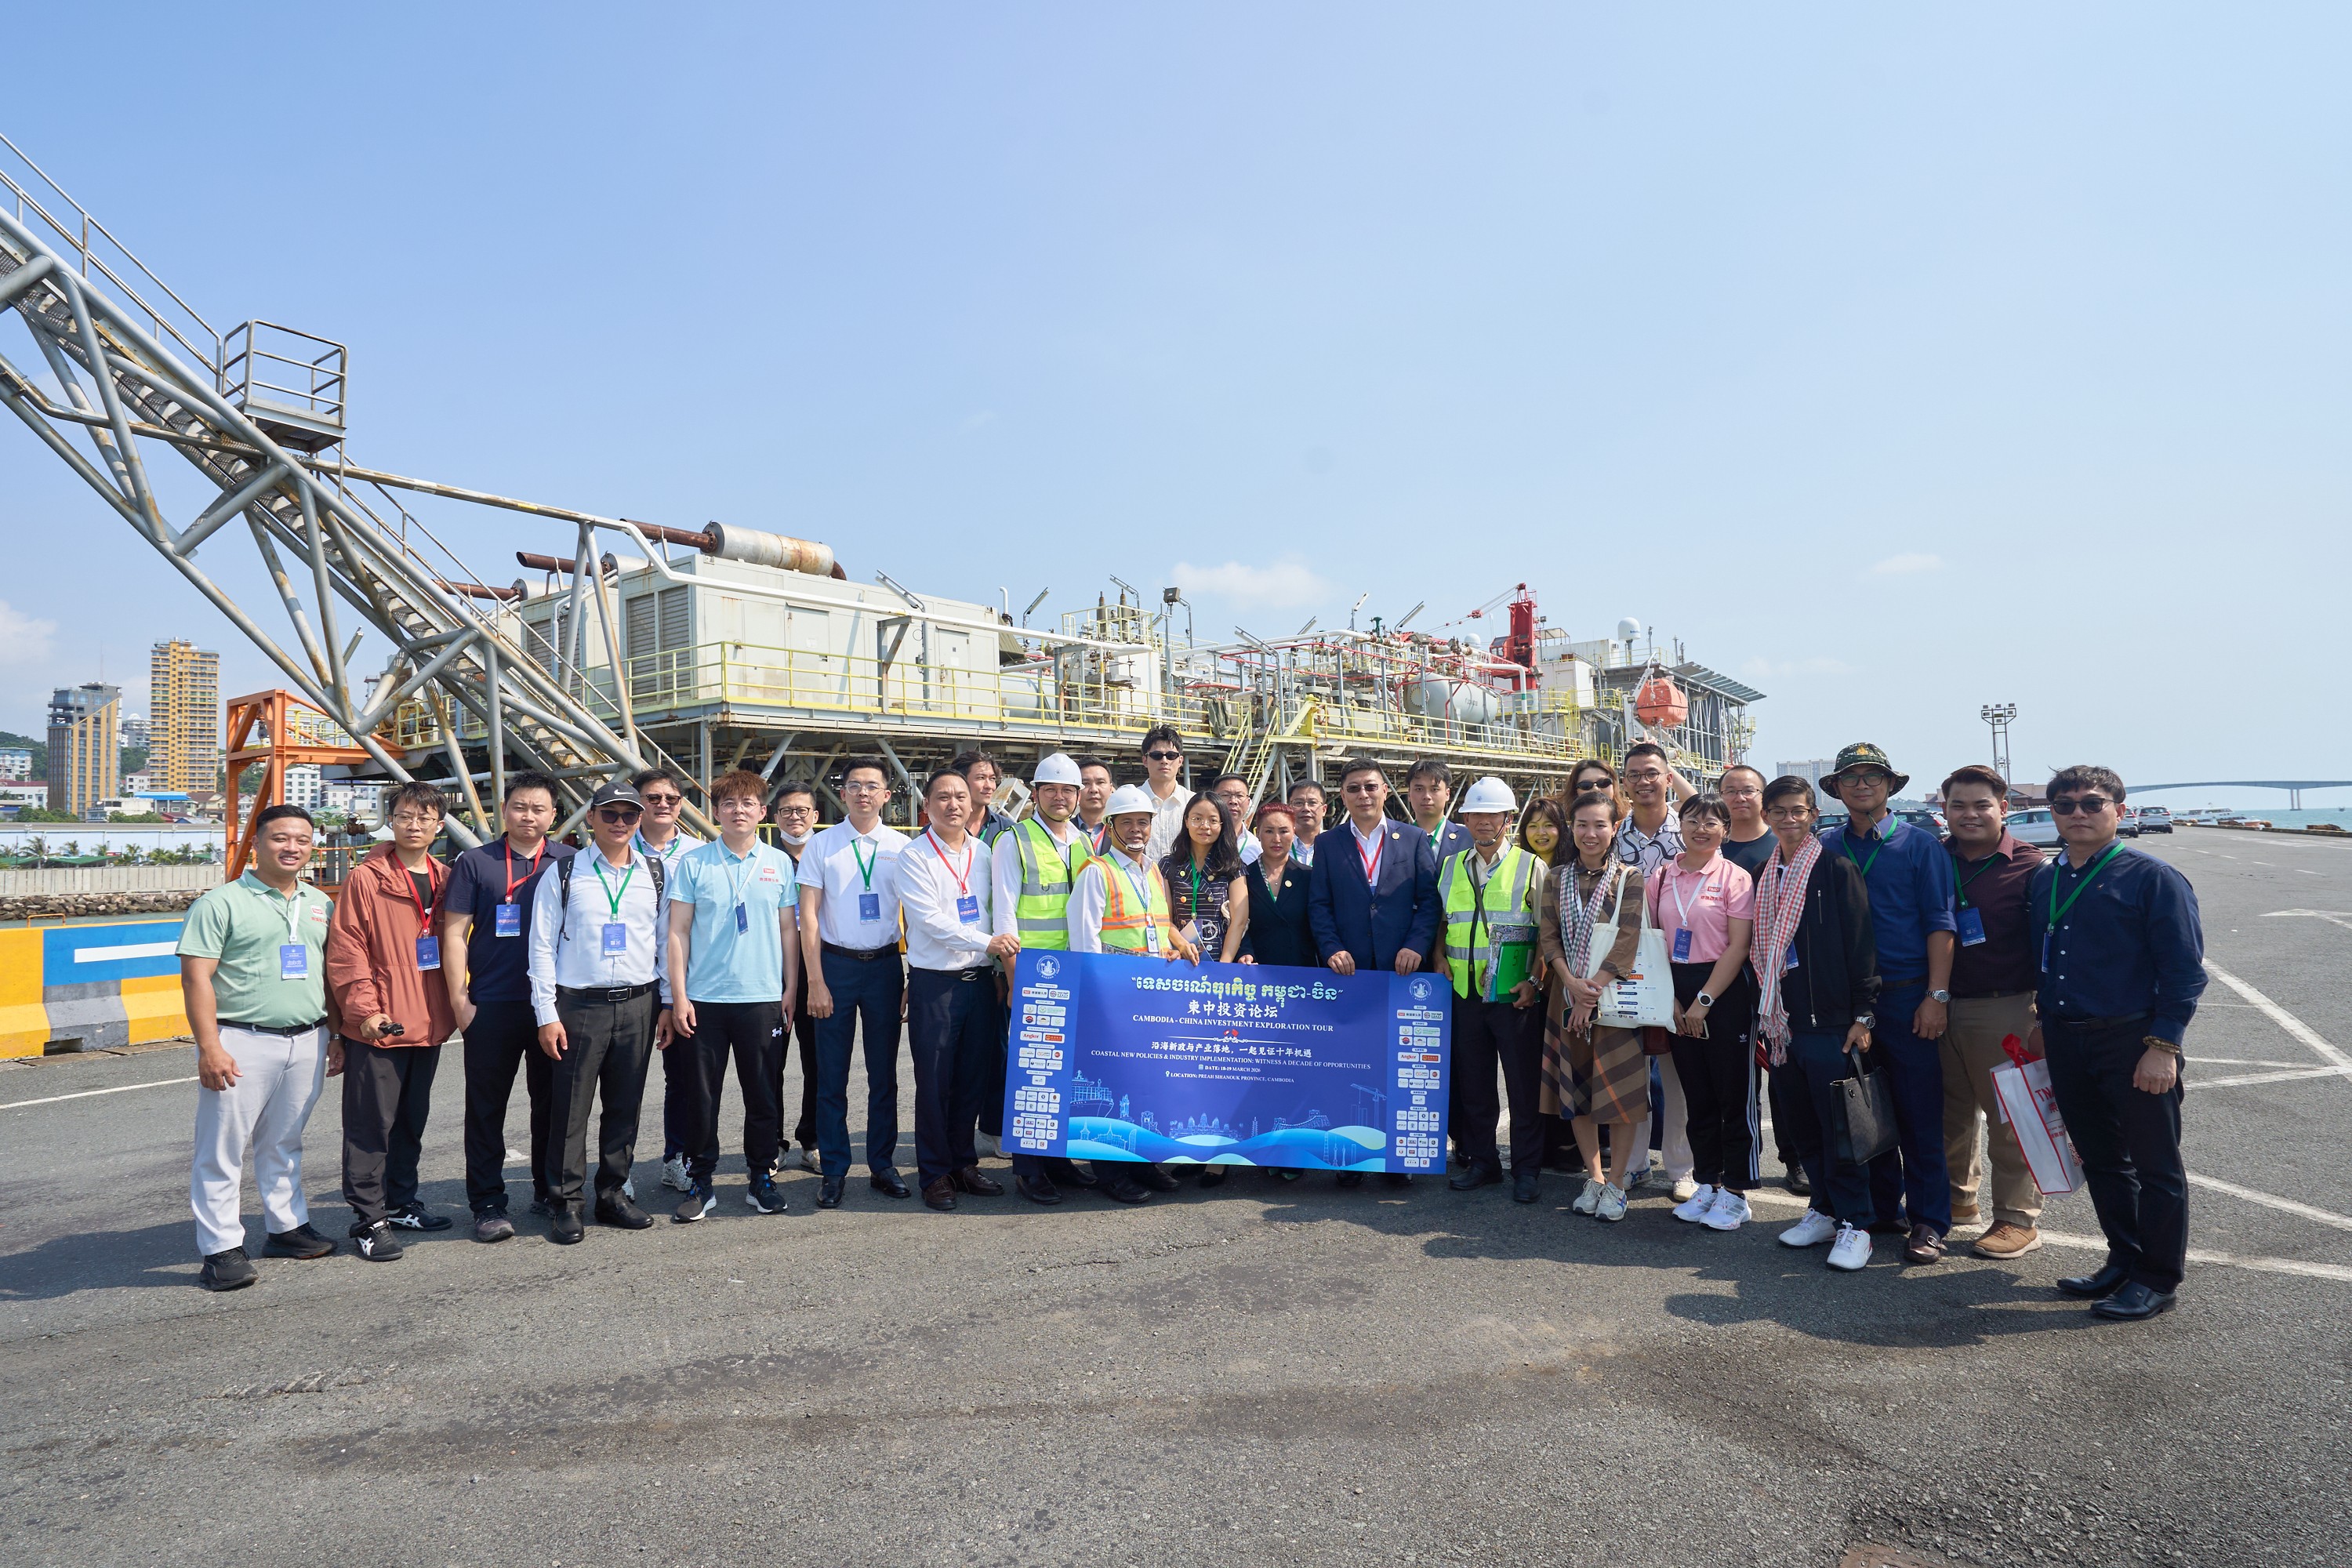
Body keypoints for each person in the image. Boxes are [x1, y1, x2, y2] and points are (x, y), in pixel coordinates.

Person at [2030, 765, 2205, 1322]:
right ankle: (2123, 1260)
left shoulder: (2152, 878)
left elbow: (2183, 973)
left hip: (2133, 1040)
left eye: (2091, 803)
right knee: (2103, 1160)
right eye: (2065, 805)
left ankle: (2156, 1279)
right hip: (2066, 1038)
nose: (2077, 813)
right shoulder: (2046, 878)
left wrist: (2164, 1046)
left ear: (2119, 812)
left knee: (2156, 1167)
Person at [180, 804, 339, 1290]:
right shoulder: (220, 903)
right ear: (257, 843)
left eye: (303, 840)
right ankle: (221, 1247)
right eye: (280, 839)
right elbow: (196, 978)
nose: (292, 848)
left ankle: (286, 1227)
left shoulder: (320, 903)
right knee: (222, 1147)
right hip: (242, 1039)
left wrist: (336, 1034)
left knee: (285, 1140)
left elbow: (328, 973)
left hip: (309, 1037)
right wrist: (210, 1047)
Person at [1820, 742, 1958, 1264]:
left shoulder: (1920, 846)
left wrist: (1936, 996)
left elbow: (1941, 924)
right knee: (1863, 1112)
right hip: (1847, 1005)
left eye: (1872, 776)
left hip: (1906, 999)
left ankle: (1929, 1221)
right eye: (1850, 778)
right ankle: (1881, 1208)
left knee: (1920, 1115)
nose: (1861, 785)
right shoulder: (1827, 847)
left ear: (1889, 786)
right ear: (1836, 789)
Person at [529, 779, 676, 1243]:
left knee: (624, 1107)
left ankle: (612, 1194)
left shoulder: (655, 873)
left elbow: (664, 944)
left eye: (629, 815)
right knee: (570, 1110)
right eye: (609, 814)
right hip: (580, 1006)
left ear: (640, 821)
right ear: (590, 818)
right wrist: (546, 1014)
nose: (620, 823)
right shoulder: (565, 873)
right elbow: (541, 947)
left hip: (638, 1002)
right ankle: (565, 1201)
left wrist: (667, 1003)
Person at [1750, 775, 1883, 1272]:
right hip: (1782, 1023)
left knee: (1841, 1129)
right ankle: (1824, 1210)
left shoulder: (1834, 868)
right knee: (1803, 1124)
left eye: (1799, 811)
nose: (1789, 819)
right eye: (1780, 811)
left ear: (1813, 815)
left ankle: (1857, 1224)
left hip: (1830, 1022)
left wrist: (1863, 1013)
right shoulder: (1766, 872)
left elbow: (1861, 944)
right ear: (1767, 815)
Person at [326, 779, 457, 1261]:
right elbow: (348, 950)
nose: (415, 824)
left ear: (439, 826)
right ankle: (368, 1218)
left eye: (424, 817)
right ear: (393, 820)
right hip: (381, 1023)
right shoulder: (368, 877)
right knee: (369, 1125)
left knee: (409, 1121)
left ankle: (401, 1202)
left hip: (428, 1021)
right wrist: (364, 1012)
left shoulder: (447, 878)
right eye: (405, 815)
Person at [441, 771, 575, 1243]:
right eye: (520, 806)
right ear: (505, 809)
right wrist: (460, 999)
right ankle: (487, 1202)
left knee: (554, 1105)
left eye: (539, 809)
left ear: (553, 815)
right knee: (486, 1109)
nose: (528, 816)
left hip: (550, 1007)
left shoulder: (567, 861)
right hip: (491, 1004)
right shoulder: (475, 862)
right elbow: (454, 933)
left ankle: (549, 1189)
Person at [665, 769, 801, 1222]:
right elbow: (678, 931)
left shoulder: (780, 863)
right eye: (728, 804)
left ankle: (761, 1177)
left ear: (762, 812)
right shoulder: (695, 862)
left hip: (763, 998)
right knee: (701, 1097)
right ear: (716, 812)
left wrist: (791, 987)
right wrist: (679, 996)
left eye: (747, 804)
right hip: (705, 999)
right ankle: (701, 1179)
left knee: (763, 1093)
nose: (738, 810)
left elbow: (788, 929)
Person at [1306, 757, 1439, 1189]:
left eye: (1370, 787)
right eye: (1353, 789)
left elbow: (1429, 903)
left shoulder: (1414, 839)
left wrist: (1415, 946)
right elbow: (1319, 906)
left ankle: (1398, 1157)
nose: (1363, 795)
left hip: (1400, 973)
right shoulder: (1328, 844)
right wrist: (1332, 949)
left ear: (1385, 792)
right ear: (1341, 796)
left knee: (1397, 1065)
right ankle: (1349, 1158)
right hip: (1348, 973)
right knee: (1347, 1063)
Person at [1067, 784, 1200, 1203]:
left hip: (1149, 994)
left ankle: (1143, 1163)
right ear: (1111, 826)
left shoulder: (1153, 872)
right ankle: (1111, 1173)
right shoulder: (1097, 872)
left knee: (1144, 1083)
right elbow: (1084, 941)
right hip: (1115, 996)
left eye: (1144, 822)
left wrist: (1178, 942)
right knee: (1112, 1082)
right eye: (1128, 823)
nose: (1138, 830)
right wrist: (1097, 998)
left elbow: (1159, 923)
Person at [1937, 765, 2047, 1260]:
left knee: (2011, 1115)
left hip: (2006, 1007)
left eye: (1981, 804)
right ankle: (1958, 1203)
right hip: (1938, 1004)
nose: (1970, 814)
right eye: (1958, 805)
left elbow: (2052, 943)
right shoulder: (1935, 858)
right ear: (1944, 810)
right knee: (1948, 1113)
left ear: (2004, 808)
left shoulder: (2032, 867)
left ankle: (2017, 1218)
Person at [895, 769, 1018, 1210]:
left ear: (973, 804)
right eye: (943, 797)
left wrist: (1002, 964)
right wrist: (987, 943)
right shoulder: (913, 857)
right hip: (937, 985)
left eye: (960, 797)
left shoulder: (986, 853)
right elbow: (928, 920)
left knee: (971, 1079)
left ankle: (963, 1164)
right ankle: (934, 1173)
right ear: (926, 806)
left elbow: (1000, 909)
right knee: (934, 1082)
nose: (953, 805)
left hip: (982, 982)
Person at [797, 757, 912, 1210]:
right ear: (841, 794)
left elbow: (918, 917)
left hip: (885, 967)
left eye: (873, 786)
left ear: (887, 795)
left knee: (884, 1074)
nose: (863, 793)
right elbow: (808, 917)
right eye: (854, 786)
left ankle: (882, 1164)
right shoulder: (822, 846)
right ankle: (835, 1169)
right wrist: (816, 982)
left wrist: (910, 976)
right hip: (836, 967)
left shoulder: (903, 847)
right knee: (831, 1076)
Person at [1646, 791, 1759, 1231]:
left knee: (1734, 1096)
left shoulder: (1735, 878)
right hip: (1675, 986)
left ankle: (1736, 1192)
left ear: (1725, 832)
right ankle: (1708, 1183)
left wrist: (1704, 1002)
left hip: (1723, 991)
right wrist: (1671, 999)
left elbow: (1739, 947)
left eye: (1712, 822)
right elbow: (1654, 943)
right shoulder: (1661, 877)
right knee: (1697, 1096)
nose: (1700, 828)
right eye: (1692, 820)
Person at [992, 752, 1101, 1204]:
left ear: (1078, 797)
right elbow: (1005, 915)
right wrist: (1015, 981)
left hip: (1074, 971)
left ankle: (1058, 1161)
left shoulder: (1084, 844)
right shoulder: (1013, 841)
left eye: (1068, 791)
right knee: (1032, 1075)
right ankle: (1028, 1170)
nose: (1060, 798)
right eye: (1051, 790)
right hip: (1034, 972)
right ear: (1035, 795)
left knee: (1065, 1071)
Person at [1538, 788, 1650, 1222]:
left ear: (1615, 828)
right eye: (1582, 824)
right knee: (1576, 1090)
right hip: (1565, 998)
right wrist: (1570, 984)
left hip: (1613, 999)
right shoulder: (1556, 878)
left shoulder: (1629, 877)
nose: (1590, 833)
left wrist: (1593, 988)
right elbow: (1549, 937)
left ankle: (1619, 1183)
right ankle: (1596, 1178)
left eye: (1600, 825)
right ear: (1572, 827)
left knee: (1618, 1094)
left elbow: (1628, 938)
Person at [1437, 778, 1548, 1202]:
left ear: (1507, 819)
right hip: (1465, 994)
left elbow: (1545, 934)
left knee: (1522, 1088)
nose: (1484, 822)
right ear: (1465, 819)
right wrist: (1438, 958)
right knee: (1475, 1084)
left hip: (1512, 995)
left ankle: (1527, 1170)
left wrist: (1534, 981)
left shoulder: (1530, 866)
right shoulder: (1451, 866)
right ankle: (1483, 1161)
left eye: (1492, 815)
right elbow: (1444, 924)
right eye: (1476, 815)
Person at [1720, 762, 1805, 1196]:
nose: (1740, 798)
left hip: (1778, 977)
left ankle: (1795, 1159)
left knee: (1784, 1071)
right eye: (1730, 790)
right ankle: (1738, 1162)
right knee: (1739, 1077)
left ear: (1763, 800)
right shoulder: (1711, 844)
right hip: (1727, 978)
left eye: (1748, 790)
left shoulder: (1783, 845)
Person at [1615, 742, 1693, 1200]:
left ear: (1668, 779)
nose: (1643, 782)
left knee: (1676, 1071)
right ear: (1624, 782)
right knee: (1631, 1070)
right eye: (1634, 775)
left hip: (1679, 967)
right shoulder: (1611, 834)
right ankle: (1633, 1162)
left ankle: (1681, 1167)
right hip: (1624, 966)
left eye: (1652, 774)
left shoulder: (1688, 832)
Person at [632, 766, 706, 1197]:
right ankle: (617, 1168)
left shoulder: (699, 854)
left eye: (671, 799)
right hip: (633, 982)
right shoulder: (616, 849)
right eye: (653, 798)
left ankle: (676, 1160)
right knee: (625, 1083)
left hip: (683, 986)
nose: (663, 805)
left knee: (684, 1080)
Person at [1517, 795, 1581, 1174]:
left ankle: (1568, 1142)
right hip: (1526, 979)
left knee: (1564, 1064)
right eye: (1533, 825)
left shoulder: (1573, 869)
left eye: (1549, 825)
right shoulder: (1517, 867)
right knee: (1533, 1067)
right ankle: (1540, 1143)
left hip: (1561, 979)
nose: (1541, 833)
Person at [771, 782, 826, 1173]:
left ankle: (813, 1139)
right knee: (770, 1060)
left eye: (803, 810)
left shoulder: (826, 855)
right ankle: (772, 1141)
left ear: (815, 816)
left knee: (817, 1058)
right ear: (774, 817)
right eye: (787, 810)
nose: (795, 817)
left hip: (815, 968)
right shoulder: (764, 859)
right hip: (770, 967)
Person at [1163, 792, 1250, 964]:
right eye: (1197, 819)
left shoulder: (1233, 866)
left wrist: (1224, 965)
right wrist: (1182, 945)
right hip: (1179, 958)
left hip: (1220, 959)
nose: (1205, 826)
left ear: (1222, 824)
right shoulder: (1169, 865)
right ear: (1186, 821)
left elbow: (1239, 922)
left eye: (1213, 820)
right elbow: (1164, 918)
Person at [1240, 804, 1318, 967]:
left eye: (1284, 831)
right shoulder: (1243, 876)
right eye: (1269, 831)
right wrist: (1244, 952)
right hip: (1256, 967)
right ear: (1258, 833)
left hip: (1301, 968)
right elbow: (1237, 923)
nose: (1277, 839)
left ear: (1294, 832)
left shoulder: (1308, 876)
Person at [1138, 726, 1193, 862]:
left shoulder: (1193, 802)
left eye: (1171, 755)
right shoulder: (1132, 801)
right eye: (1156, 756)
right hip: (1139, 881)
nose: (1164, 761)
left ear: (1180, 760)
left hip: (1188, 882)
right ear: (1145, 760)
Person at [1405, 758, 1472, 866]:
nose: (1426, 796)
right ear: (1409, 794)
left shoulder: (1468, 838)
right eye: (1419, 789)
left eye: (1434, 789)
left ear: (1447, 794)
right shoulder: (1397, 840)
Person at [953, 748, 1018, 843]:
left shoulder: (1008, 830)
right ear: (961, 781)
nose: (989, 786)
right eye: (981, 778)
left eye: (992, 779)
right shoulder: (939, 831)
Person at [1208, 772, 1263, 864]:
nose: (1233, 801)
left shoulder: (1256, 847)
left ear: (1248, 802)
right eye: (1225, 795)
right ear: (1213, 799)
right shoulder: (1201, 840)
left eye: (1240, 796)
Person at [1075, 755, 1115, 852]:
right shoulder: (1063, 830)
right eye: (1086, 783)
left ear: (1111, 789)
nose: (1094, 790)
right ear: (1075, 790)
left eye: (1100, 782)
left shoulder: (1123, 830)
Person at [1287, 778, 1327, 866]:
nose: (1306, 808)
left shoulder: (1335, 844)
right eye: (1298, 803)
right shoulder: (1279, 846)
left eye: (1312, 803)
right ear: (1289, 808)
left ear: (1324, 810)